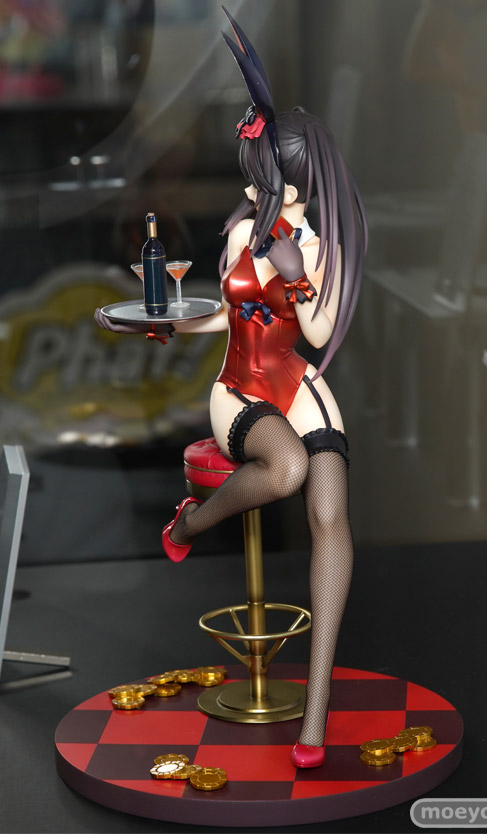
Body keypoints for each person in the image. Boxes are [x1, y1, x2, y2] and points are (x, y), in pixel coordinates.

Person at [95, 10, 367, 768]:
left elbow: (317, 333)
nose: (254, 184)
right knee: (286, 469)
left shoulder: (319, 246)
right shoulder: (245, 233)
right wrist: (161, 322)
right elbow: (225, 314)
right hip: (241, 387)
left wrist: (297, 274)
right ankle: (189, 523)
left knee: (330, 510)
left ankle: (315, 715)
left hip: (299, 382)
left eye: (262, 173)